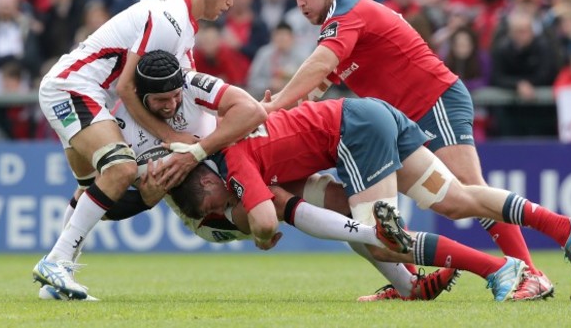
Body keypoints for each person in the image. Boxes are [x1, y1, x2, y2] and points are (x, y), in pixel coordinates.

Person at [39, 51, 456, 302]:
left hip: (243, 164)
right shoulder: (121, 127)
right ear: (139, 101)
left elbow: (245, 109)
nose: (169, 105)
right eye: (159, 101)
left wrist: (257, 112)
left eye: (174, 98)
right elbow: (107, 195)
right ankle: (382, 241)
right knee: (270, 208)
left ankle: (405, 284)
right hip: (209, 208)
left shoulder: (191, 84)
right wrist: (148, 196)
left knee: (339, 203)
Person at [262, 0, 559, 299]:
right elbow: (320, 80)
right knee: (380, 209)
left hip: (434, 102)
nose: (300, 2)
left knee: (466, 190)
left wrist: (272, 106)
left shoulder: (346, 13)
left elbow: (318, 65)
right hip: (400, 122)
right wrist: (292, 109)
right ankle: (410, 283)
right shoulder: (338, 23)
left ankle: (532, 273)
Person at [167, 97, 571, 301]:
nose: (226, 209)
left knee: (377, 238)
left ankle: (499, 270)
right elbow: (305, 200)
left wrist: (258, 233)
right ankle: (564, 227)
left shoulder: (234, 162)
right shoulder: (235, 141)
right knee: (455, 199)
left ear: (208, 187)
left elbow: (264, 219)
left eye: (218, 207)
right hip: (372, 112)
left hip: (354, 133)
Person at [32, 0, 250, 300]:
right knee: (119, 169)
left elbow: (189, 90)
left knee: (93, 188)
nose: (230, 3)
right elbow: (126, 88)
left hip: (83, 91)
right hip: (73, 87)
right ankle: (55, 261)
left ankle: (56, 278)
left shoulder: (180, 21)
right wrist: (171, 137)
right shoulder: (171, 19)